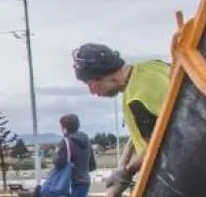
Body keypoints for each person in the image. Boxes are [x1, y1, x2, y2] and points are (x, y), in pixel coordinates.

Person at [72, 43, 170, 188]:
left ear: (111, 77)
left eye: (92, 84)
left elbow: (156, 148)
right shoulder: (156, 66)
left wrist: (126, 172)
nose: (93, 92)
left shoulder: (136, 99)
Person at [52, 113, 95, 197]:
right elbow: (92, 165)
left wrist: (57, 153)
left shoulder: (66, 142)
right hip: (85, 182)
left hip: (70, 183)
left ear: (65, 128)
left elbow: (59, 162)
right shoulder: (87, 142)